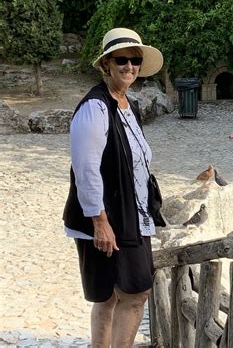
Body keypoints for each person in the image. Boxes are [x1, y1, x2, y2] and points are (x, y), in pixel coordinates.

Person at [63, 27, 164, 347]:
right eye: (121, 59)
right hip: (108, 218)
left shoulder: (127, 105)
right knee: (134, 293)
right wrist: (99, 222)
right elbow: (86, 169)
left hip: (130, 215)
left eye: (135, 60)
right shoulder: (95, 107)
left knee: (112, 296)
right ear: (106, 63)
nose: (129, 66)